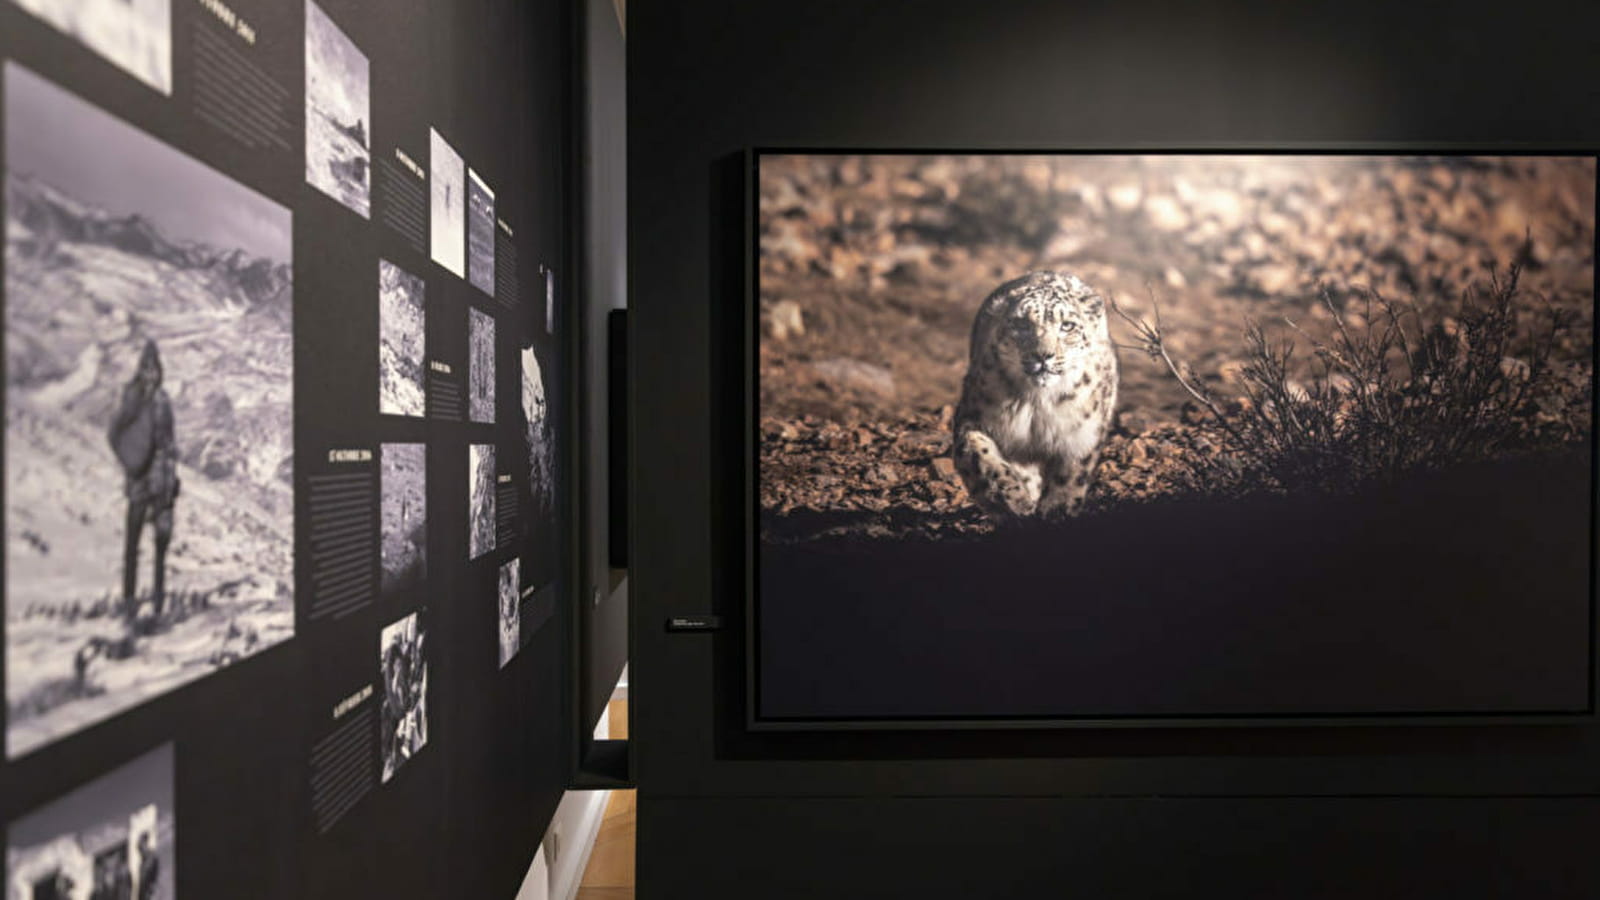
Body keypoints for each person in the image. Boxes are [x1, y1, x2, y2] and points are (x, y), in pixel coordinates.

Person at [108, 340, 179, 621]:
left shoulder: (161, 400)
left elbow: (169, 444)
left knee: (161, 545)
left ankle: (158, 604)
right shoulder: (134, 398)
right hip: (140, 482)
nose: (151, 374)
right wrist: (131, 463)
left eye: (155, 369)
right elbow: (115, 435)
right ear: (141, 369)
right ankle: (129, 603)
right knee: (132, 546)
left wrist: (171, 482)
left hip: (160, 483)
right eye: (147, 368)